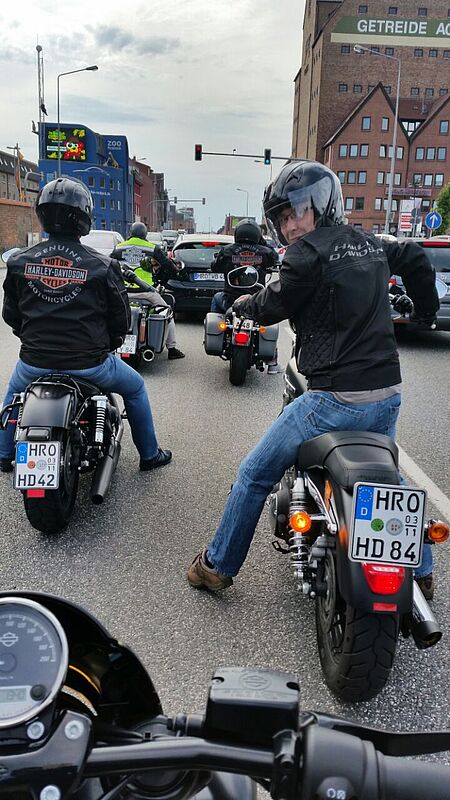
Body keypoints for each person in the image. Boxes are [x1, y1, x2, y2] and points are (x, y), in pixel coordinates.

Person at [187, 160, 439, 600]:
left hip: (332, 399)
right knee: (386, 480)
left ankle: (217, 566)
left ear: (321, 205)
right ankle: (421, 572)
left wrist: (244, 305)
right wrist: (425, 310)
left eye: (297, 211)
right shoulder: (372, 242)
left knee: (254, 475)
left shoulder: (305, 255)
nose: (290, 225)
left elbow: (274, 302)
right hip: (386, 393)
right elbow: (416, 257)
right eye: (283, 217)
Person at [0, 177, 172, 474]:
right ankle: (149, 455)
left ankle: (3, 455)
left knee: (14, 396)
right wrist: (110, 344)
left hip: (34, 362)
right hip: (90, 363)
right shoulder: (102, 265)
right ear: (84, 216)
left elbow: (11, 315)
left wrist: (30, 339)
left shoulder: (19, 261)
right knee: (136, 388)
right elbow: (121, 319)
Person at [210, 219, 280, 373]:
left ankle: (219, 335)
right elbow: (276, 258)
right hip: (256, 301)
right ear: (257, 235)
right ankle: (273, 360)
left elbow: (214, 267)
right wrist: (262, 244)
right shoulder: (265, 252)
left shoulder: (227, 251)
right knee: (269, 318)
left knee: (216, 298)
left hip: (231, 300)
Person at [112, 222, 185, 360]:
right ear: (145, 234)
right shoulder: (152, 248)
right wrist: (174, 272)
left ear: (130, 233)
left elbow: (109, 266)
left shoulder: (119, 247)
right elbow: (168, 266)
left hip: (123, 292)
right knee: (167, 312)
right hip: (146, 292)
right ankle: (172, 349)